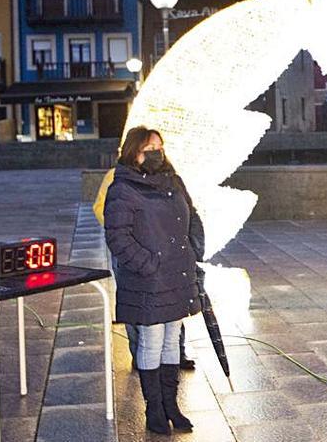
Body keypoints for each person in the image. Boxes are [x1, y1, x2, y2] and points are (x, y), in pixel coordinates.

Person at [104, 126, 203, 435]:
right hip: (147, 278)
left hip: (177, 273)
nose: (157, 153)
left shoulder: (173, 181)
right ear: (134, 151)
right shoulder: (122, 188)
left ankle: (172, 405)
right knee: (151, 342)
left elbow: (193, 216)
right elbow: (117, 236)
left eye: (160, 147)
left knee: (172, 340)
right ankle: (155, 409)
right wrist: (148, 264)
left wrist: (194, 249)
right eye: (150, 148)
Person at [93, 166, 197, 372]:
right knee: (139, 312)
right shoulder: (117, 179)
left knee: (172, 307)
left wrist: (192, 248)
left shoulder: (168, 179)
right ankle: (138, 353)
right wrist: (139, 250)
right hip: (138, 255)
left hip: (167, 255)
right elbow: (103, 211)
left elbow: (187, 213)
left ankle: (179, 352)